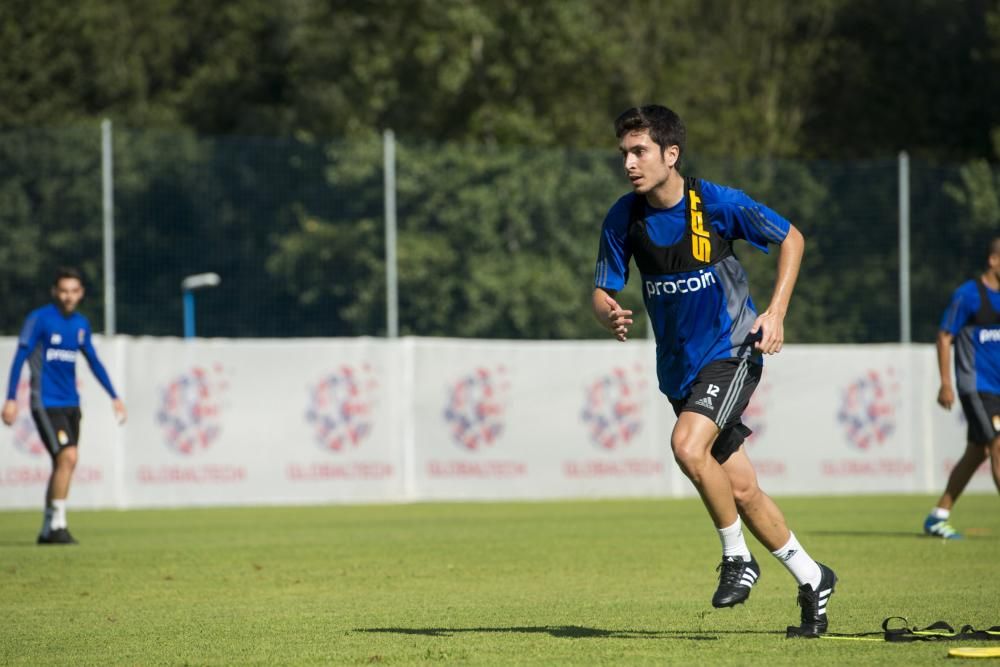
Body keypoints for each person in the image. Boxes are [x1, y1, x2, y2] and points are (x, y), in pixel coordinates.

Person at [592, 105, 835, 637]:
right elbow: (601, 288)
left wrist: (776, 313)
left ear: (670, 154)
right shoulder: (624, 218)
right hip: (679, 372)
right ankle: (813, 578)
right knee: (742, 489)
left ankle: (736, 559)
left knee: (686, 447)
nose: (629, 163)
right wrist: (607, 309)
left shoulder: (716, 202)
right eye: (624, 154)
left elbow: (792, 238)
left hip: (732, 352)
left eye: (640, 152)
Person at [2, 268, 127, 545]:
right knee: (68, 457)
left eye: (74, 291)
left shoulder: (81, 324)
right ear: (54, 292)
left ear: (80, 293)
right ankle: (58, 525)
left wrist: (114, 396)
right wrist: (10, 398)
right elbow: (19, 358)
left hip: (72, 403)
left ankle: (48, 528)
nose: (68, 297)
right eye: (64, 291)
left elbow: (94, 361)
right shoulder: (39, 320)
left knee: (64, 463)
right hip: (46, 402)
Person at [923, 237, 1000, 539]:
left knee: (978, 451)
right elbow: (944, 337)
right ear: (993, 260)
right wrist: (946, 383)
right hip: (977, 387)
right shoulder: (968, 295)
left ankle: (938, 516)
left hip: (997, 387)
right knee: (997, 444)